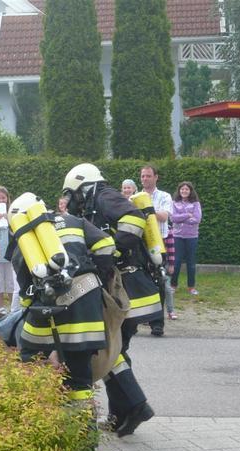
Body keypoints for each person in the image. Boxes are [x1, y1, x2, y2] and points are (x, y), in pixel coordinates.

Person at [62, 163, 157, 437]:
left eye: (75, 193)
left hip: (128, 288)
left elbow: (134, 219)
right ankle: (121, 413)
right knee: (113, 349)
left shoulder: (104, 195)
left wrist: (110, 248)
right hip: (125, 288)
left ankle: (137, 406)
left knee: (109, 349)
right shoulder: (96, 201)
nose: (74, 200)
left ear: (85, 185)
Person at [8, 192, 115, 418]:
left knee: (29, 361)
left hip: (49, 315)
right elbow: (107, 245)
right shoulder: (75, 221)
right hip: (88, 313)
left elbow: (27, 297)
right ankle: (86, 447)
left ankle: (40, 422)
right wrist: (96, 275)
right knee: (80, 380)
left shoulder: (25, 242)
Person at [140, 165, 175, 334]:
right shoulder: (135, 197)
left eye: (148, 176)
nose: (145, 179)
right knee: (138, 281)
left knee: (159, 281)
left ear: (156, 177)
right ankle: (137, 320)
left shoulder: (164, 196)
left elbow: (164, 216)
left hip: (158, 243)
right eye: (143, 176)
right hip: (140, 244)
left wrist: (146, 210)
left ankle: (157, 323)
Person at [170, 181, 202, 295]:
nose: (184, 191)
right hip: (177, 236)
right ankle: (173, 285)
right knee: (176, 262)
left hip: (192, 237)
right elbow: (173, 218)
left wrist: (181, 218)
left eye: (186, 189)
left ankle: (191, 287)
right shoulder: (174, 203)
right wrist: (188, 215)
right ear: (179, 191)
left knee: (191, 263)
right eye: (182, 189)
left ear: (190, 191)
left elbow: (197, 219)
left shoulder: (196, 204)